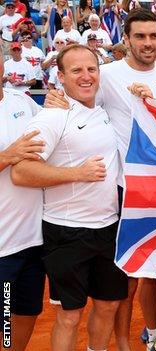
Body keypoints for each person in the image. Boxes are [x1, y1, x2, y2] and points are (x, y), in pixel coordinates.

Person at [44, 9, 156, 351]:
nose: (148, 43)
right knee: (124, 277)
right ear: (126, 39)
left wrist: (152, 104)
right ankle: (122, 342)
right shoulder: (105, 74)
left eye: (153, 36)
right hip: (122, 191)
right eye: (140, 36)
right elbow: (81, 101)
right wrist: (56, 100)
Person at [11, 44, 127, 351]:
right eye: (76, 70)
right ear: (60, 76)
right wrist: (77, 173)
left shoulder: (100, 111)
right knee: (69, 315)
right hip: (66, 231)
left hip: (108, 228)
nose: (86, 76)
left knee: (108, 305)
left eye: (92, 69)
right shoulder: (52, 116)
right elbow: (21, 172)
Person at [0, 52, 44, 351]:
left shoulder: (21, 102)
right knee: (5, 316)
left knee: (27, 311)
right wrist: (7, 156)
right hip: (2, 245)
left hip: (34, 239)